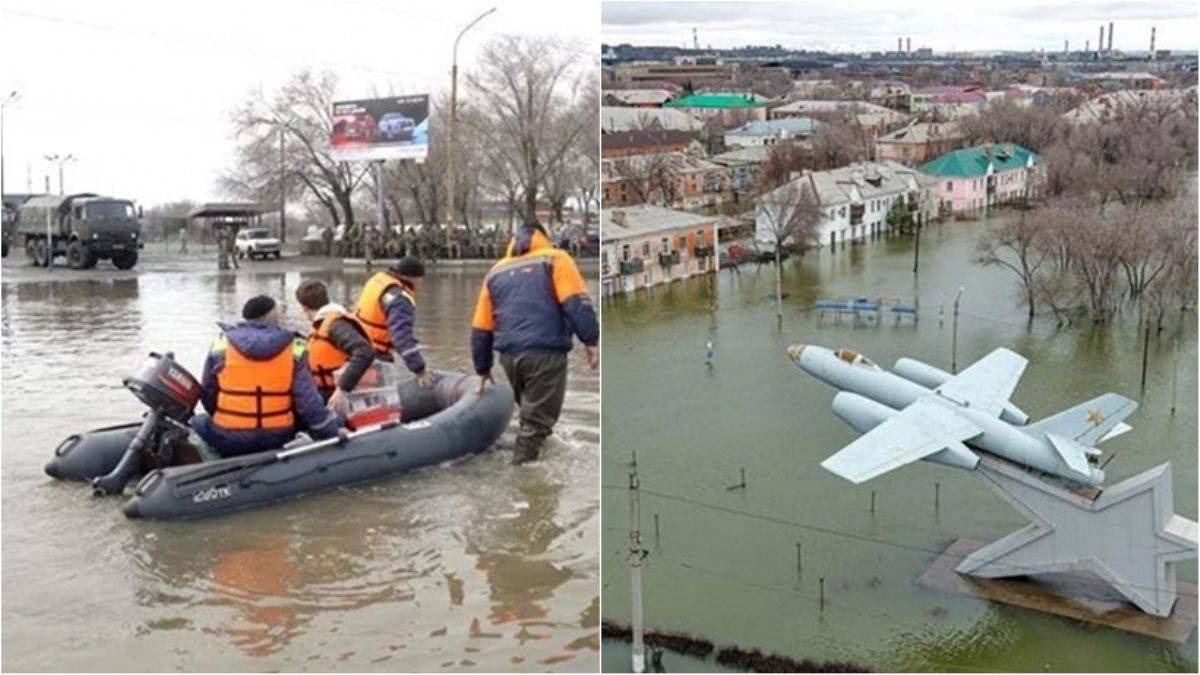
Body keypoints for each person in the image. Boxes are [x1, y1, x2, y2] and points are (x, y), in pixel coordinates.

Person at [470, 222, 599, 464]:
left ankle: (530, 457)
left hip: (509, 358)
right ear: (543, 237)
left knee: (530, 416)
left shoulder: (495, 272)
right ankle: (524, 480)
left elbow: (480, 327)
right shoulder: (556, 259)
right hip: (545, 353)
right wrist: (591, 341)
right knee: (536, 424)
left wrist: (482, 368)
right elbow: (576, 303)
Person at [193, 295, 340, 458]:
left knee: (198, 421)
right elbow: (308, 402)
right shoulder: (294, 348)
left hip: (231, 439)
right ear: (273, 317)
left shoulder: (221, 345)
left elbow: (208, 393)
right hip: (277, 437)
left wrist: (228, 417)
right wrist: (330, 432)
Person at [295, 279, 375, 414]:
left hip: (346, 397)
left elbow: (364, 351)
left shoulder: (335, 325)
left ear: (304, 308)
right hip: (325, 393)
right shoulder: (322, 325)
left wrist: (342, 389)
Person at [353, 256, 434, 386]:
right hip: (375, 356)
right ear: (412, 278)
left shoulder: (378, 280)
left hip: (356, 349)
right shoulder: (400, 299)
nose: (421, 284)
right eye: (420, 279)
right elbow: (402, 337)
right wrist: (420, 369)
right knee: (378, 397)